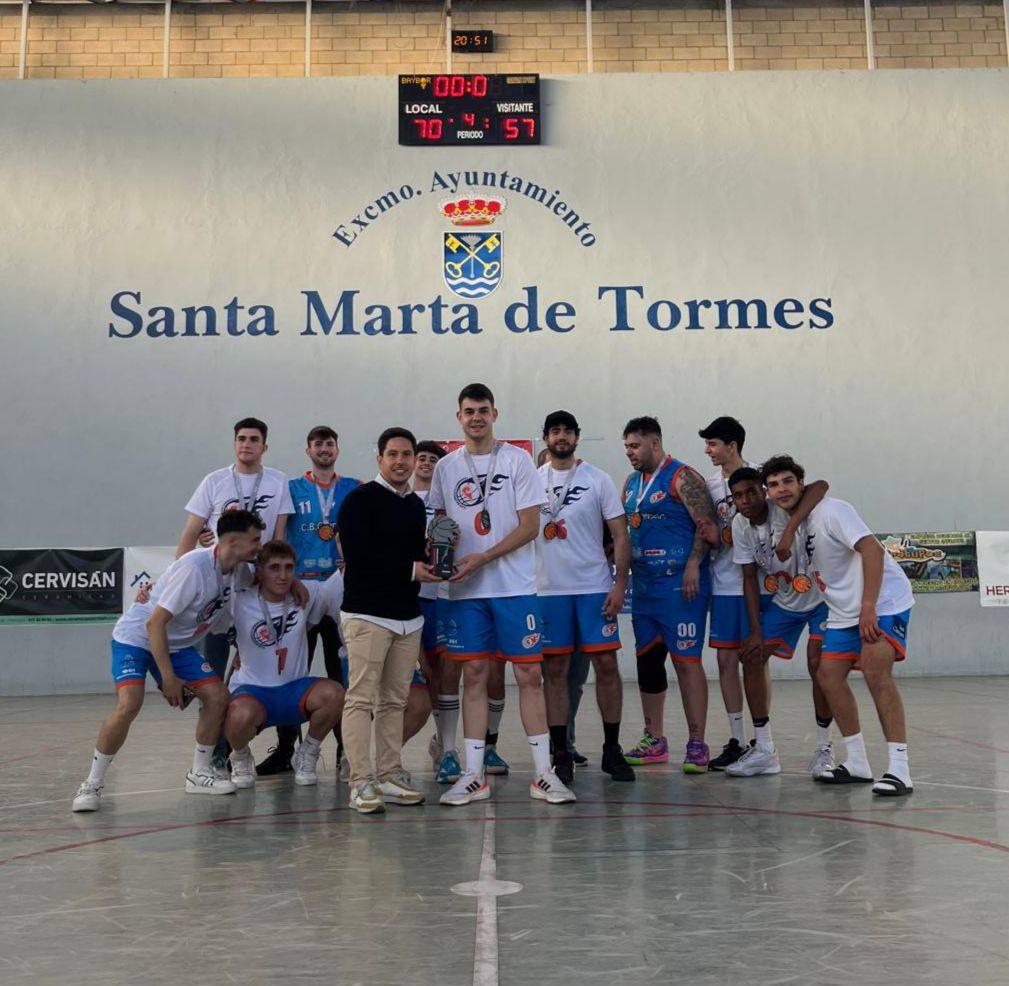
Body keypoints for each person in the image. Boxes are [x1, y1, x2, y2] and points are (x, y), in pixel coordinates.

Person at [428, 383, 574, 805]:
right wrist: (441, 546)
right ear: (459, 417)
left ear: (495, 414)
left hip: (514, 586)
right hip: (465, 591)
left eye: (483, 410)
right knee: (473, 675)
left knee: (529, 675)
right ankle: (473, 775)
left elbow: (530, 526)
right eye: (469, 410)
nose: (476, 417)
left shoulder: (518, 460)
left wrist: (484, 557)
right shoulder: (446, 467)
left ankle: (544, 774)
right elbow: (440, 522)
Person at [72, 510, 265, 811]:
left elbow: (266, 582)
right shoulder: (194, 568)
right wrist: (169, 678)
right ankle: (92, 784)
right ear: (233, 541)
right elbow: (154, 624)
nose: (259, 546)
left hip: (177, 645)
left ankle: (198, 773)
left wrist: (294, 585)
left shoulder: (238, 570)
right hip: (137, 638)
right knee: (129, 704)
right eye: (254, 540)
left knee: (217, 696)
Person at [763, 455, 915, 796]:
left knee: (877, 675)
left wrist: (868, 607)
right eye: (774, 484)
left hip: (882, 602)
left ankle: (900, 769)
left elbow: (872, 551)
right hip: (842, 610)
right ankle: (858, 762)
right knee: (829, 677)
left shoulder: (832, 511)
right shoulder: (789, 520)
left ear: (801, 484)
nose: (782, 489)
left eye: (788, 481)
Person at [175, 417, 294, 770]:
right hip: (217, 598)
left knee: (269, 673)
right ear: (234, 443)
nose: (246, 444)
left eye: (254, 439)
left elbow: (279, 540)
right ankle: (213, 753)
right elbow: (190, 534)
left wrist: (277, 582)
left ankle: (280, 749)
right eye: (241, 438)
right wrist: (178, 577)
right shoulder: (214, 481)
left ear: (264, 446)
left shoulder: (277, 481)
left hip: (257, 597)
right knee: (209, 680)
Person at [337, 427, 436, 814]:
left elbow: (414, 555)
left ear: (414, 460)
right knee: (360, 700)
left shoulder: (414, 506)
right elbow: (359, 558)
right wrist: (413, 568)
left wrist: (432, 556)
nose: (400, 461)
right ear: (379, 458)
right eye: (392, 454)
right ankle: (361, 782)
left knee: (395, 701)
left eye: (406, 454)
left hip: (408, 618)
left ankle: (390, 774)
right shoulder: (358, 501)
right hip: (366, 615)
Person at [536, 410, 634, 784]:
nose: (561, 436)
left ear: (577, 437)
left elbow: (621, 536)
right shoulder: (530, 480)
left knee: (607, 667)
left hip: (594, 588)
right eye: (555, 431)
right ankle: (560, 753)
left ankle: (612, 749)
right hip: (548, 591)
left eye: (568, 431)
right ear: (545, 437)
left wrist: (619, 584)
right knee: (555, 672)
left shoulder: (598, 479)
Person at [255, 425, 358, 777]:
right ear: (308, 450)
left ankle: (349, 751)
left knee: (342, 671)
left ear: (337, 449)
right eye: (318, 444)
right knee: (291, 670)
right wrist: (286, 580)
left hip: (341, 586)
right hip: (300, 589)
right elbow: (279, 536)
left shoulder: (353, 488)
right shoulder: (291, 488)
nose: (324, 449)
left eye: (330, 443)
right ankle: (287, 750)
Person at [621, 417, 720, 773]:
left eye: (635, 446)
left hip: (681, 585)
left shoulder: (683, 477)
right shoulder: (631, 484)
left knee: (686, 661)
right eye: (627, 447)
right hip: (644, 588)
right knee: (648, 662)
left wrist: (694, 563)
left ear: (655, 443)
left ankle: (697, 742)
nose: (630, 453)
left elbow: (707, 524)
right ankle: (655, 739)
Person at [727, 467, 833, 777]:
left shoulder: (784, 507)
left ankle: (825, 749)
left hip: (822, 600)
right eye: (738, 496)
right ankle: (764, 749)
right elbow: (748, 578)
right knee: (752, 657)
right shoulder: (739, 525)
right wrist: (755, 631)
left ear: (764, 492)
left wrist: (788, 532)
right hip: (785, 602)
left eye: (751, 492)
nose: (746, 500)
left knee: (819, 665)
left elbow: (821, 484)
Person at [225, 541, 346, 788]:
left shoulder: (309, 593)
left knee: (334, 693)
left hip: (293, 691)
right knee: (238, 714)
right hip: (253, 692)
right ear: (259, 571)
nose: (282, 576)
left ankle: (308, 753)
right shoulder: (238, 600)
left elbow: (343, 577)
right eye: (274, 568)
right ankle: (240, 756)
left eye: (289, 568)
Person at [698, 416, 770, 770]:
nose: (708, 451)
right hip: (724, 583)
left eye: (713, 444)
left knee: (755, 660)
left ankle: (763, 737)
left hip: (759, 584)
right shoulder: (708, 487)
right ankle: (737, 738)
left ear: (733, 446)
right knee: (726, 661)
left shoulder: (762, 478)